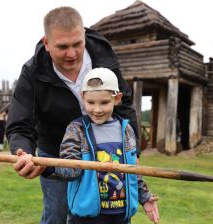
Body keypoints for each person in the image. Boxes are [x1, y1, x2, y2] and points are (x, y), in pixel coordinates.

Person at [6, 6, 140, 224]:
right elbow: (19, 124)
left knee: (107, 213)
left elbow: (123, 103)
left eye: (77, 44)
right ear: (47, 43)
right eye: (63, 46)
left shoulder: (104, 57)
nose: (72, 53)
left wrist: (133, 151)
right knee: (56, 214)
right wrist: (24, 153)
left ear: (84, 36)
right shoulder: (32, 72)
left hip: (105, 150)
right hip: (55, 153)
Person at [41, 68, 159, 224]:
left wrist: (144, 197)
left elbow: (132, 171)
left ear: (117, 99)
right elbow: (71, 170)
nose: (97, 109)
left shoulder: (127, 130)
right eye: (91, 102)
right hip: (85, 219)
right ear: (83, 98)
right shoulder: (77, 130)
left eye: (104, 102)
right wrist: (46, 167)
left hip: (121, 218)